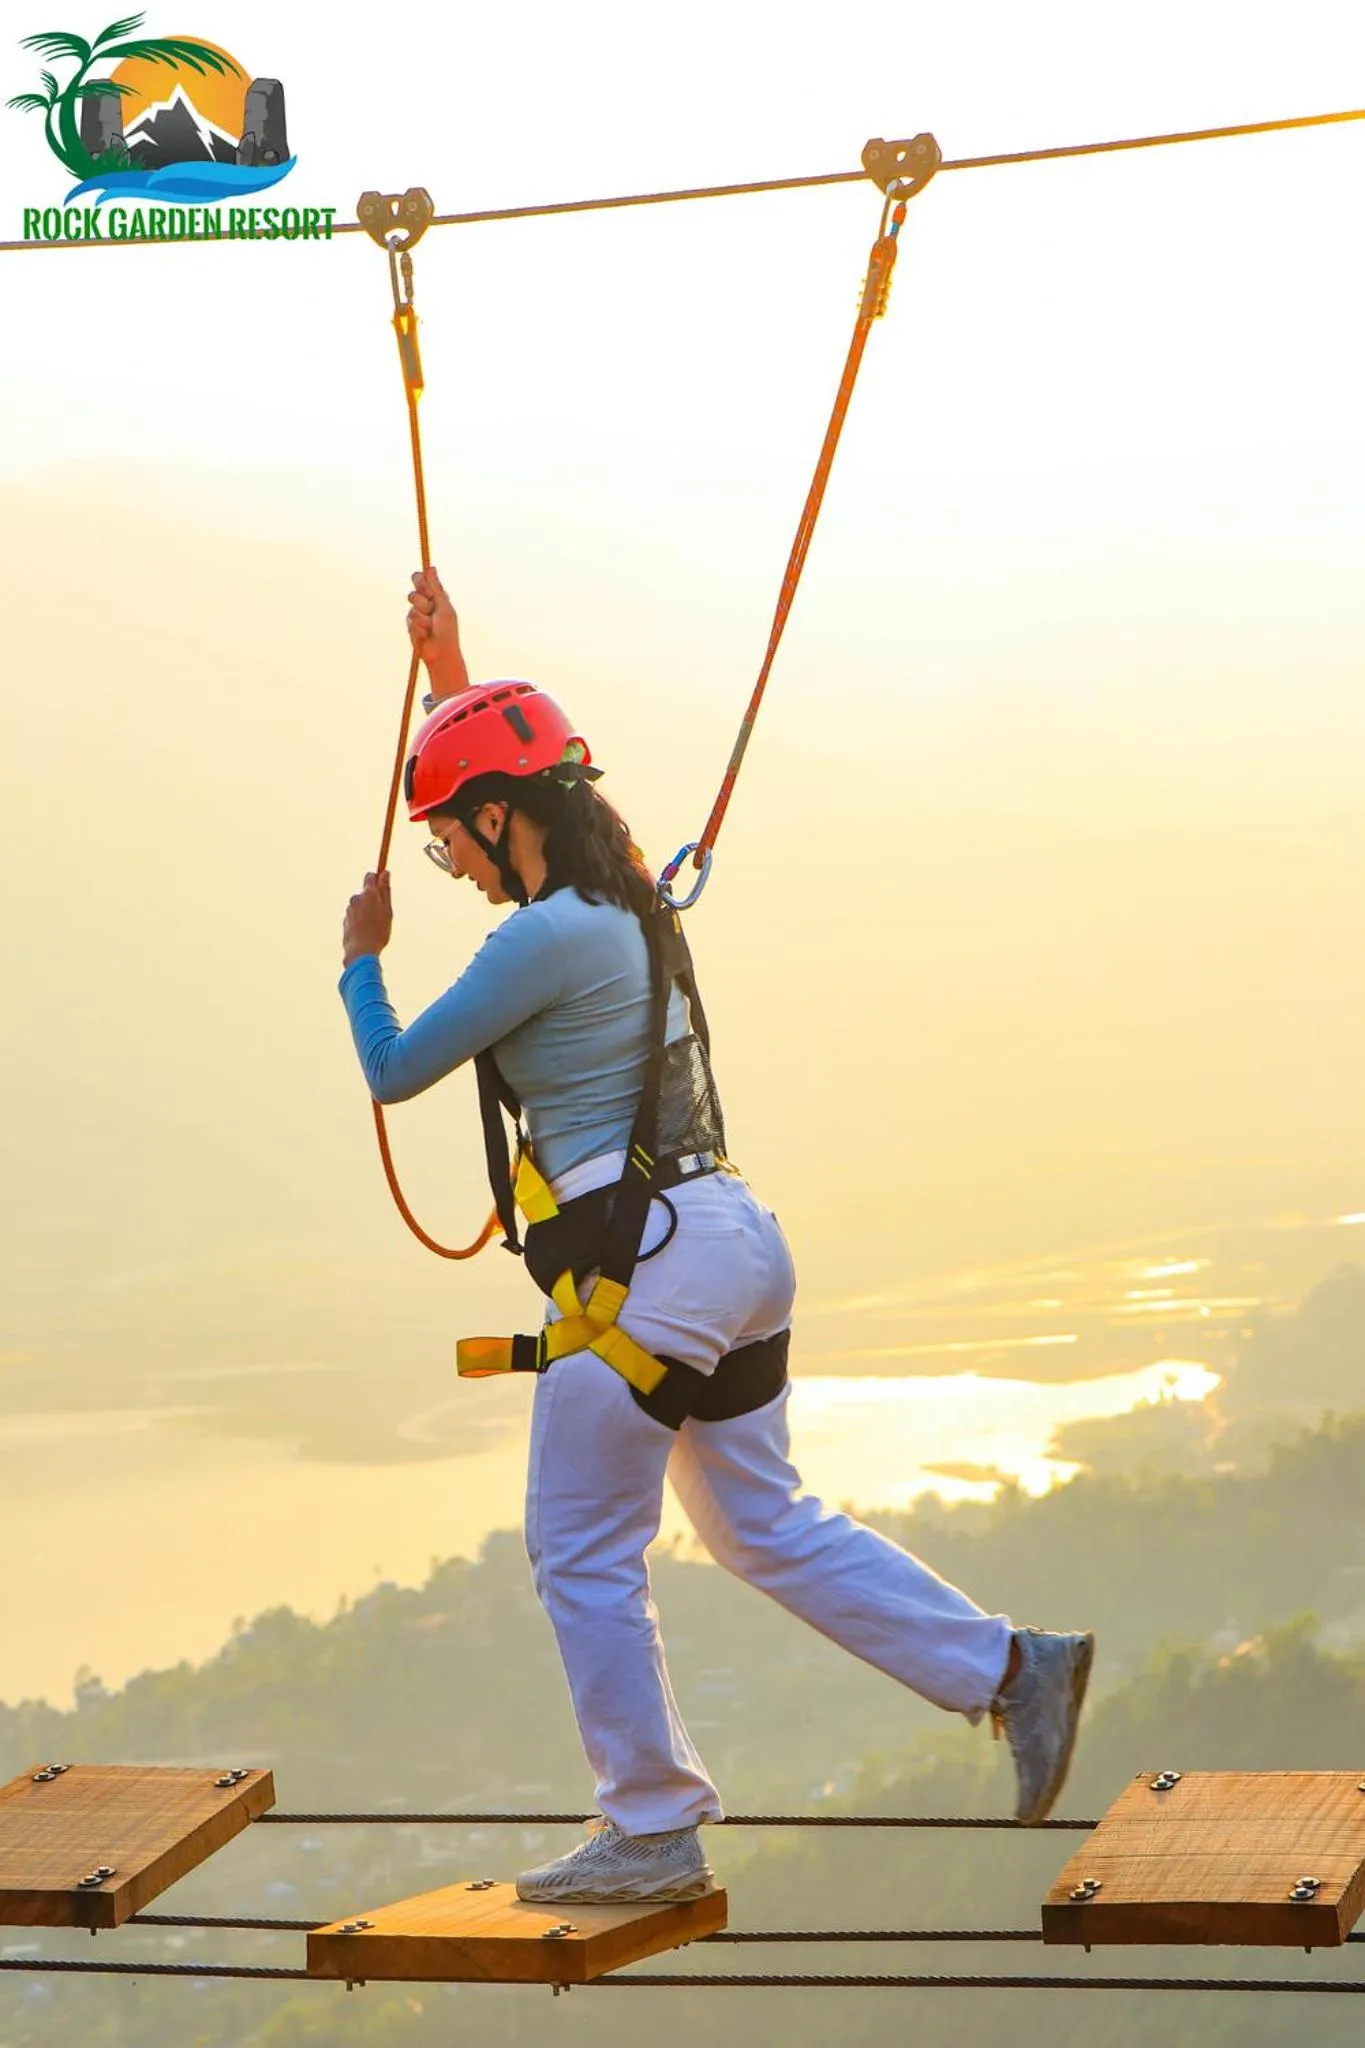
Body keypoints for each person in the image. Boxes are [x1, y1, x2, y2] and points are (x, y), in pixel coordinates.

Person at [338, 567, 1095, 1907]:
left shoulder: (538, 942)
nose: (446, 857)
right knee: (760, 1525)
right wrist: (453, 673)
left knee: (579, 1546)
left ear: (503, 817)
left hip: (646, 1269)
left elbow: (395, 1070)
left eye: (453, 832)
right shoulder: (628, 901)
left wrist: (360, 957)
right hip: (729, 1238)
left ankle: (651, 1825)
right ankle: (1013, 1671)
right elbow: (513, 777)